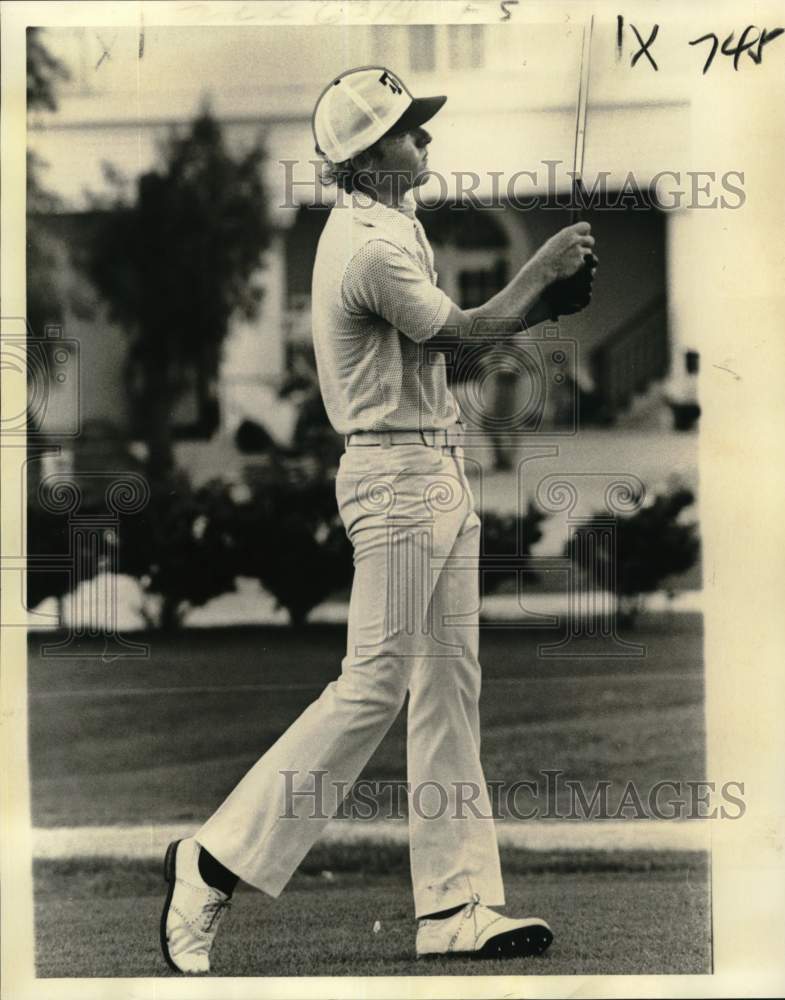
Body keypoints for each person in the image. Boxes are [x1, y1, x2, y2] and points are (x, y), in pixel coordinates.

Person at [160, 65, 596, 974]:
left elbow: (457, 348)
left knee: (449, 690)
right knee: (371, 689)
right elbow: (462, 336)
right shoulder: (368, 247)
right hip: (396, 480)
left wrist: (543, 302)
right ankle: (208, 863)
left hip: (432, 470)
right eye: (409, 131)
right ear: (367, 158)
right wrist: (540, 275)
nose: (425, 141)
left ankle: (455, 906)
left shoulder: (392, 226)